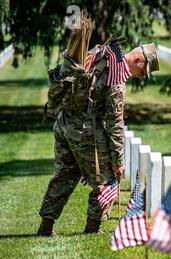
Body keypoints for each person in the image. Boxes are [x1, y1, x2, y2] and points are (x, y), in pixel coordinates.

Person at [36, 41, 159, 236]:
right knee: (107, 179)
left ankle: (46, 226)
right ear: (137, 60)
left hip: (63, 123)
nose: (141, 76)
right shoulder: (117, 78)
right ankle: (92, 230)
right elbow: (115, 124)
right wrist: (118, 161)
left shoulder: (102, 55)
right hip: (84, 130)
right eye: (143, 71)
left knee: (64, 175)